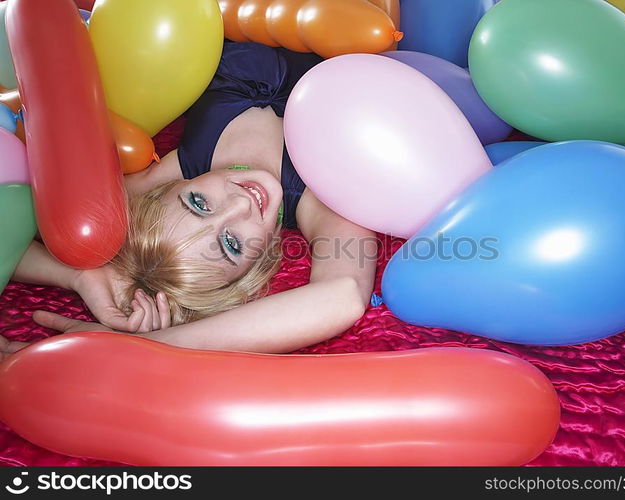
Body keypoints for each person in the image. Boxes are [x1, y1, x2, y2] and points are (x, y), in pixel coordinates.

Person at [1, 41, 377, 359]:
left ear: (164, 190)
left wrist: (82, 272)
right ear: (254, 267)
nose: (241, 204)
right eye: (231, 244)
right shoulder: (321, 201)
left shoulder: (171, 170)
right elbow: (341, 296)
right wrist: (149, 347)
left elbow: (19, 211)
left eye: (198, 203)